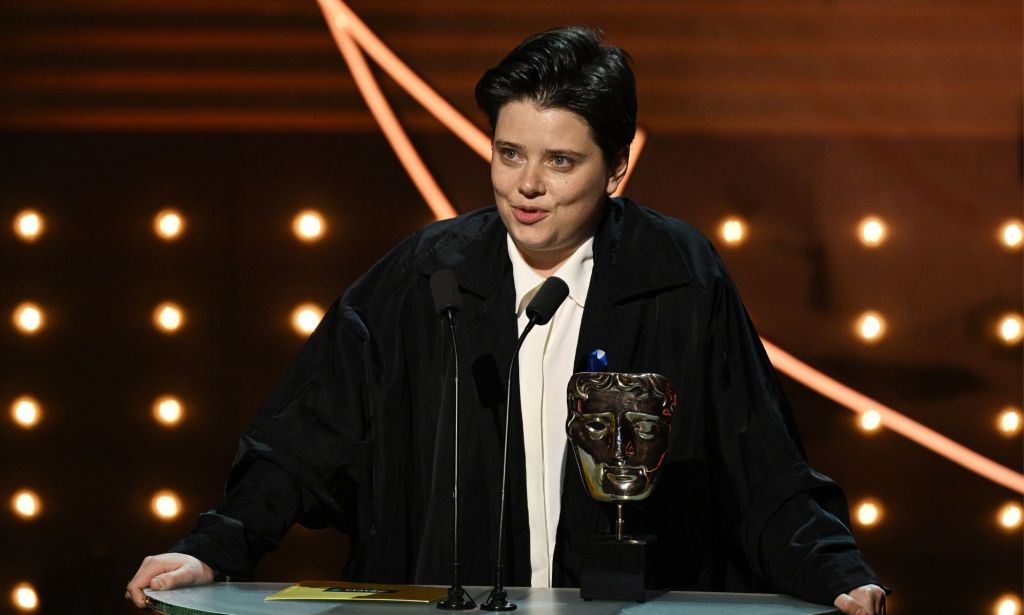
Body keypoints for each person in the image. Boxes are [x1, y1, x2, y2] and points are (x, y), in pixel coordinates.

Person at [127, 26, 887, 614]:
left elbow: (764, 469)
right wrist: (212, 549)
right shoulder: (428, 276)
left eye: (560, 162)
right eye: (508, 153)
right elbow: (299, 447)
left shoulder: (677, 276)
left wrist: (840, 576)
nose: (526, 186)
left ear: (617, 168)